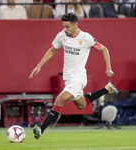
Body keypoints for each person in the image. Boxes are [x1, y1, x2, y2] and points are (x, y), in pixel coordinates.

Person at [29, 12, 118, 140]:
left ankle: (41, 129)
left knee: (59, 100)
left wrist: (108, 68)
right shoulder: (61, 35)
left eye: (67, 27)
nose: (64, 29)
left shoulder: (86, 38)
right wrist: (39, 65)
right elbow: (52, 49)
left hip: (79, 79)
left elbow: (104, 49)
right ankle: (107, 89)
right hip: (68, 79)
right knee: (81, 105)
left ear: (75, 25)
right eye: (63, 26)